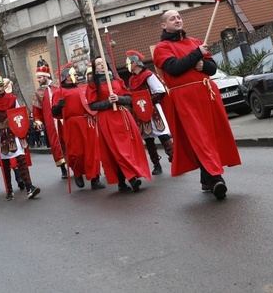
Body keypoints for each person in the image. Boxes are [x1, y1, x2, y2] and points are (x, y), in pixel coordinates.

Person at [153, 10, 241, 200]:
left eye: (179, 17)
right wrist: (196, 55)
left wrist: (203, 65)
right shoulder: (162, 48)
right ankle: (216, 179)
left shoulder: (195, 42)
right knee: (199, 138)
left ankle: (206, 178)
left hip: (206, 95)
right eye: (172, 18)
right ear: (163, 25)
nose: (177, 20)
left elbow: (212, 68)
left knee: (212, 136)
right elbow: (174, 69)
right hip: (185, 99)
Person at [86, 57, 152, 193]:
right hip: (107, 119)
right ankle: (132, 178)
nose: (101, 65)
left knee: (129, 147)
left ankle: (124, 181)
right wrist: (108, 102)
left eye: (103, 63)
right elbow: (92, 105)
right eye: (98, 64)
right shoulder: (93, 85)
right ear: (95, 68)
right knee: (117, 149)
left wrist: (119, 99)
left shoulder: (117, 80)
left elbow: (129, 98)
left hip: (123, 117)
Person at [0, 71, 40, 201]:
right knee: (5, 163)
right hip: (0, 134)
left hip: (14, 132)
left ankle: (29, 187)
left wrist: (22, 130)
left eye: (0, 86)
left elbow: (20, 113)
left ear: (3, 86)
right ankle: (9, 189)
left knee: (21, 158)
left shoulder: (12, 98)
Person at [51, 62, 105, 190]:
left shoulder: (83, 87)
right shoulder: (59, 92)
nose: (76, 75)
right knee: (77, 153)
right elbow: (54, 112)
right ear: (67, 77)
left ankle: (95, 179)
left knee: (92, 152)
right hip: (72, 125)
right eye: (73, 74)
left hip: (88, 122)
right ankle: (78, 172)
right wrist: (59, 106)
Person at [125, 50, 174, 175]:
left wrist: (147, 102)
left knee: (163, 135)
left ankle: (174, 159)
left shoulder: (149, 75)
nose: (127, 66)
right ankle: (156, 165)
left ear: (135, 63)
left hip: (153, 109)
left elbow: (160, 91)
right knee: (148, 138)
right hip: (140, 111)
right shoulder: (131, 79)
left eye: (129, 63)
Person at [31, 65, 68, 180]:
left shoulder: (58, 86)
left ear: (46, 77)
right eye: (37, 78)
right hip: (50, 122)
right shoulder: (38, 92)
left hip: (64, 118)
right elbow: (36, 110)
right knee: (56, 145)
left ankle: (76, 165)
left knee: (69, 140)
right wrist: (38, 121)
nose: (38, 80)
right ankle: (63, 168)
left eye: (40, 77)